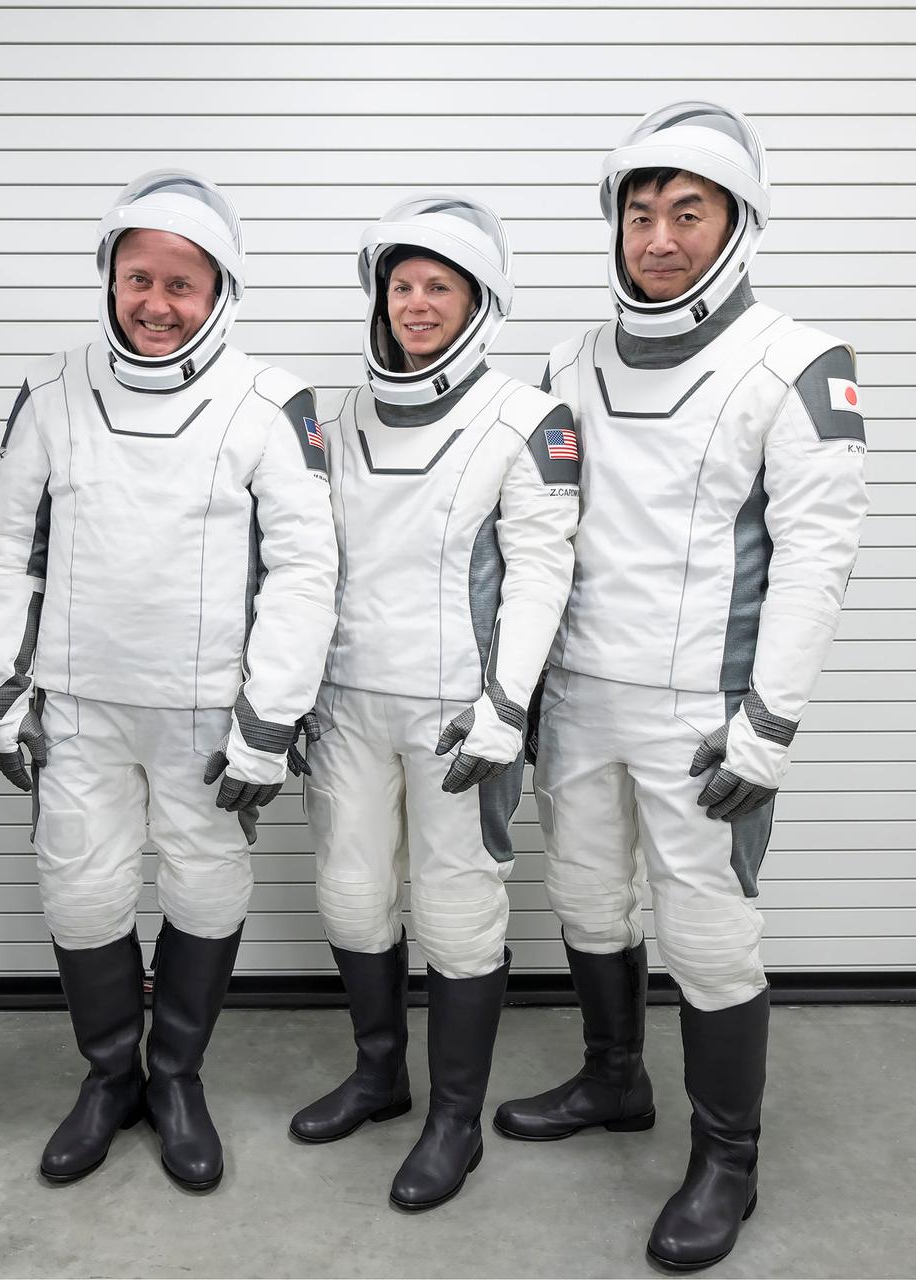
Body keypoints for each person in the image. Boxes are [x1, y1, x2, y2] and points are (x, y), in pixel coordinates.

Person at [495, 102, 870, 1272]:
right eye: (639, 213)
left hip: (706, 719)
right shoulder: (566, 362)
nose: (656, 238)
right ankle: (615, 1079)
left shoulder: (800, 363)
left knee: (710, 941)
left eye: (685, 214)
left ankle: (727, 1159)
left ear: (738, 224)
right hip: (580, 699)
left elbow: (818, 553)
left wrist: (769, 727)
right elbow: (529, 537)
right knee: (593, 906)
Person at [0, 170, 336, 1193]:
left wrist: (270, 719)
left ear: (220, 290)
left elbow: (307, 566)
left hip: (210, 716)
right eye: (140, 277)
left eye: (183, 282)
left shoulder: (270, 403)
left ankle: (175, 1075)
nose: (158, 303)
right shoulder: (52, 394)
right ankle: (106, 1078)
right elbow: (8, 548)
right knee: (81, 892)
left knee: (205, 885)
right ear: (110, 279)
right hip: (78, 706)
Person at [289, 195, 581, 1212]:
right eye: (402, 285)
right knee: (353, 896)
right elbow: (294, 565)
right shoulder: (331, 421)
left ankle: (454, 1118)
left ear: (479, 303)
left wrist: (507, 706)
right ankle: (380, 1072)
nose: (416, 303)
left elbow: (544, 571)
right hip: (348, 707)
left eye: (438, 287)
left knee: (458, 917)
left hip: (461, 718)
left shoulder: (528, 420)